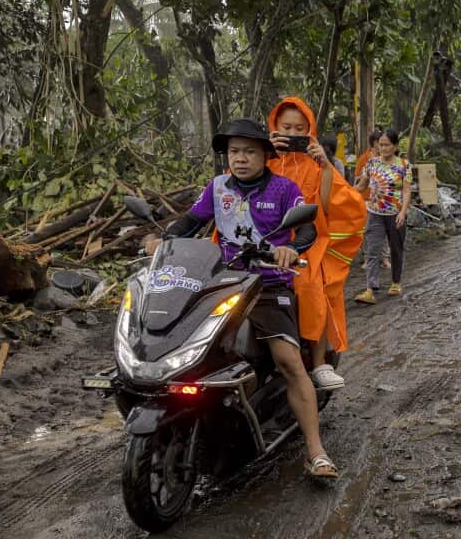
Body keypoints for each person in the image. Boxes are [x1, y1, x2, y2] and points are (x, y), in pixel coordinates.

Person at [149, 118, 339, 480]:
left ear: (266, 155)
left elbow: (309, 228)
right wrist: (163, 239)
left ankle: (315, 450)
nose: (240, 158)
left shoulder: (285, 189)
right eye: (234, 152)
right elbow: (190, 222)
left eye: (249, 152)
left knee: (286, 359)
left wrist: (290, 249)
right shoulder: (218, 188)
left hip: (268, 285)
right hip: (221, 283)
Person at [267, 97, 366, 392]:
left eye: (300, 128)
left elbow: (326, 205)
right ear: (274, 127)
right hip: (263, 240)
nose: (294, 133)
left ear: (309, 129)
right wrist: (265, 149)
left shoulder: (316, 164)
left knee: (313, 286)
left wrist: (323, 167)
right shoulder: (263, 158)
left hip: (308, 242)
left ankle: (320, 362)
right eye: (287, 127)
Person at [354, 129, 411, 305]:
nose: (383, 148)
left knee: (396, 249)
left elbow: (406, 190)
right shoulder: (371, 164)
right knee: (373, 250)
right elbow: (361, 186)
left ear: (395, 146)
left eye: (387, 145)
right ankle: (371, 289)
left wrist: (403, 212)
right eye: (381, 144)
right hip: (374, 214)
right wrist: (342, 192)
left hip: (395, 215)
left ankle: (395, 282)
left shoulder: (404, 165)